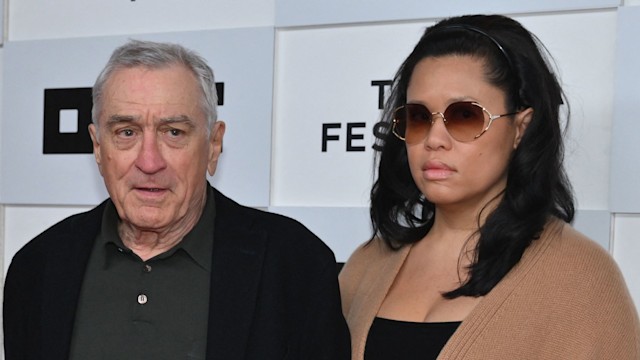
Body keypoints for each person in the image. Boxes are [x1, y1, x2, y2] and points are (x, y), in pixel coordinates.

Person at [3, 39, 350, 360]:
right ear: (98, 146)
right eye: (127, 132)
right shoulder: (37, 268)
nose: (149, 161)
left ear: (213, 145)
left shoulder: (295, 264)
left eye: (174, 132)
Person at [339, 14, 639, 359]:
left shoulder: (582, 279)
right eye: (419, 117)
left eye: (465, 115)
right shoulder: (366, 265)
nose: (435, 140)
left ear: (521, 127)